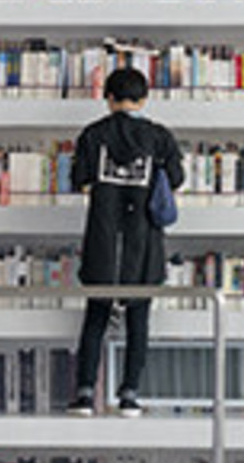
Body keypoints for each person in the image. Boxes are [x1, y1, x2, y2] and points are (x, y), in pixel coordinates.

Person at [67, 65, 183, 414]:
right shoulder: (160, 137)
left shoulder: (92, 135)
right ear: (144, 99)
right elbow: (176, 178)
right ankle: (129, 394)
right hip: (143, 245)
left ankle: (85, 394)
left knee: (95, 320)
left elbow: (79, 179)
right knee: (138, 321)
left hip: (102, 242)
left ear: (109, 98)